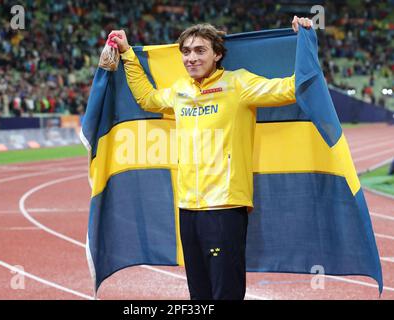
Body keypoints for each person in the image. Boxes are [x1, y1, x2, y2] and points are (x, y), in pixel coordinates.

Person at [109, 16, 312, 300]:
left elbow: (293, 87)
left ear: (217, 54)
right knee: (199, 291)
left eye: (200, 50)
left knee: (225, 291)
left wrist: (306, 40)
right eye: (186, 52)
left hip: (225, 206)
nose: (191, 58)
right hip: (188, 206)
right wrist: (128, 53)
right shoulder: (181, 92)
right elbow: (148, 99)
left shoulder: (238, 83)